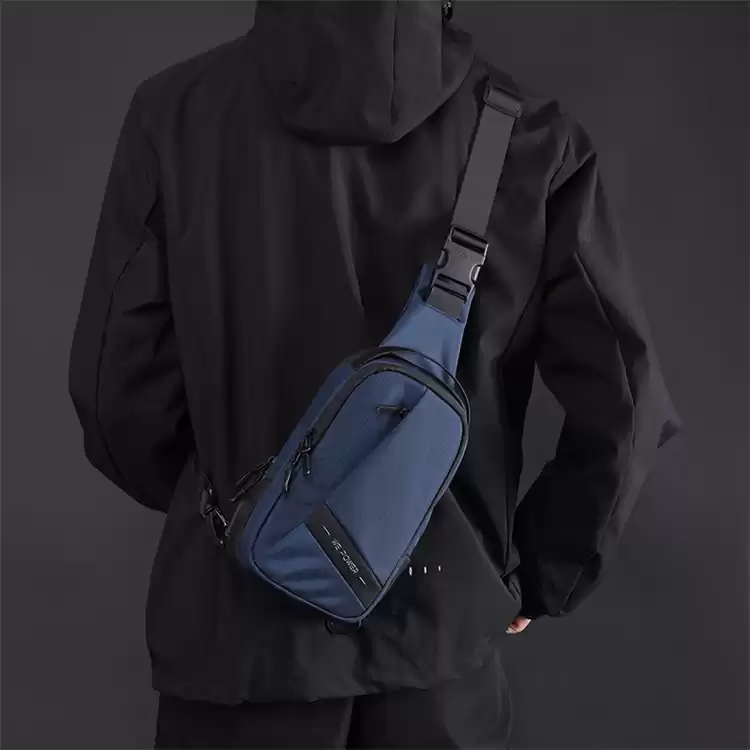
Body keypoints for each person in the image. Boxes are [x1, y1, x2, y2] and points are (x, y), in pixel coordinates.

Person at [68, 1, 682, 747]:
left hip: (236, 651)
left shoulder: (175, 113)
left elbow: (113, 392)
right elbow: (626, 405)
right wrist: (545, 570)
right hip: (438, 656)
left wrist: (245, 505)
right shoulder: (530, 138)